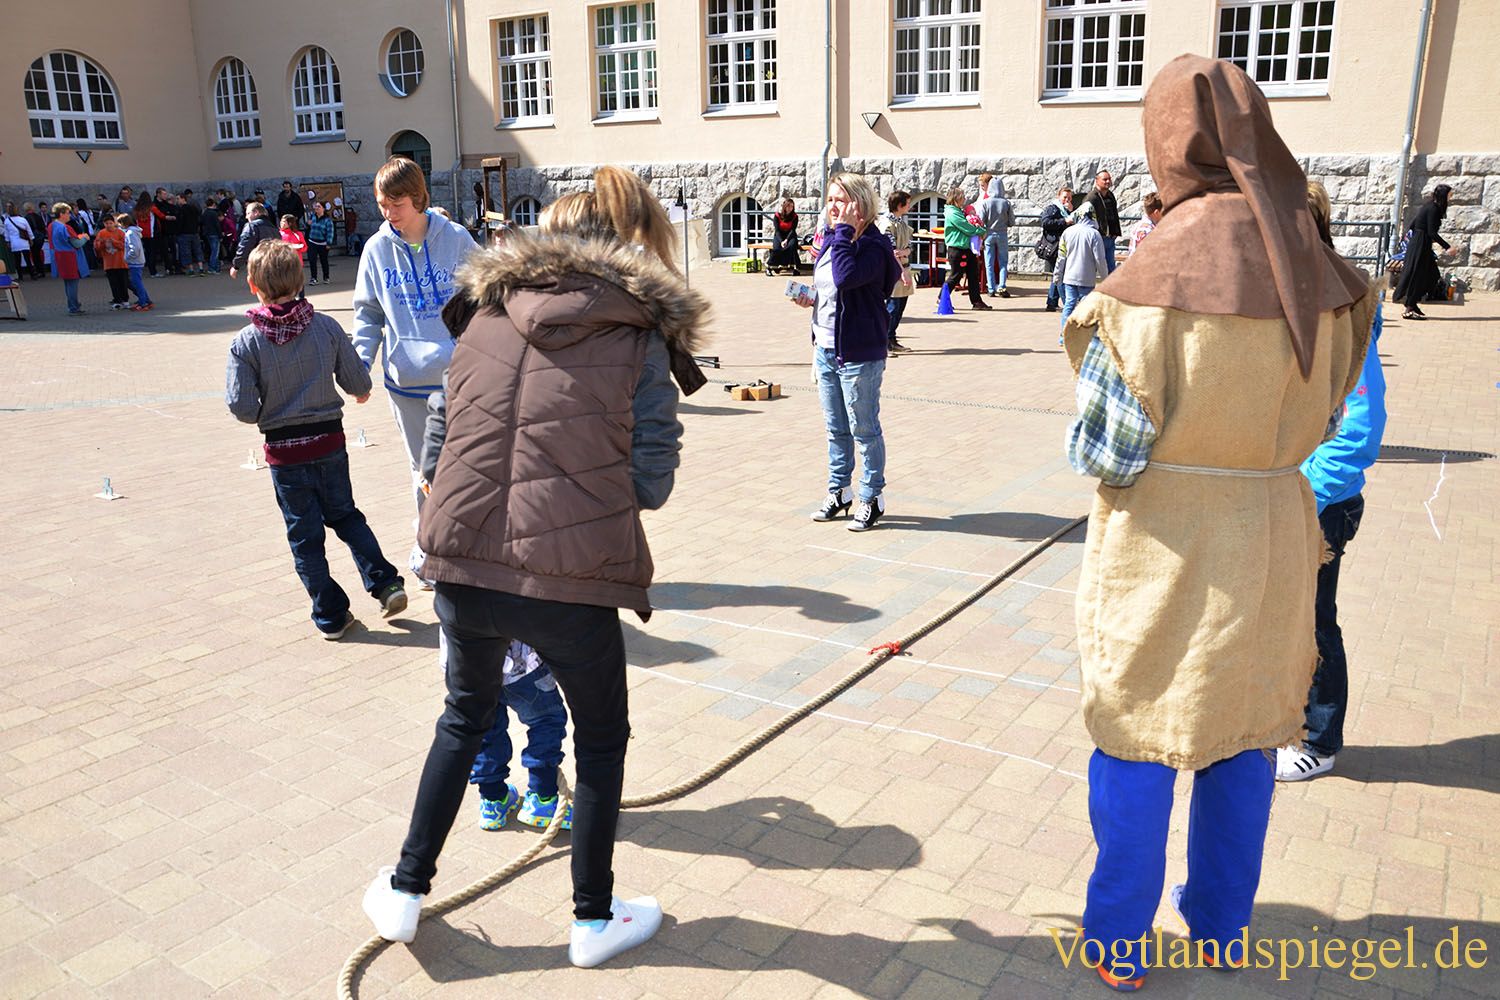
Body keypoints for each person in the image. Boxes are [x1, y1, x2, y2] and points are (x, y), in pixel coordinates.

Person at [1060, 54, 1374, 991]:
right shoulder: (1321, 271)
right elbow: (1331, 409)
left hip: (1162, 547)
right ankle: (1222, 929)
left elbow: (1104, 452)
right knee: (1243, 739)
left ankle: (1118, 944)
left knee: (1138, 741)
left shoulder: (1142, 285)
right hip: (1274, 536)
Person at [361, 165, 708, 970]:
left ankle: (406, 892)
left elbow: (440, 440)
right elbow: (651, 477)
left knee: (463, 717)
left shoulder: (481, 313)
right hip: (570, 579)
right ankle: (592, 917)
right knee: (602, 740)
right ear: (624, 250)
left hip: (461, 566)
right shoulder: (637, 333)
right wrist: (583, 500)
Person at [225, 240, 408, 640]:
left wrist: (265, 412)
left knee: (304, 536)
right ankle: (385, 582)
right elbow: (357, 380)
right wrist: (359, 390)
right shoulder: (325, 327)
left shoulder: (246, 342)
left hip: (284, 452)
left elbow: (240, 406)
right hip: (328, 442)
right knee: (345, 515)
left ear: (252, 284)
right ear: (301, 280)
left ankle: (330, 614)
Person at [1276, 182, 1389, 783]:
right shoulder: (1294, 298)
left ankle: (1320, 740)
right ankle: (1289, 722)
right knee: (1287, 620)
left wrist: (1308, 492)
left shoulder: (1342, 306)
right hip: (1287, 495)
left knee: (1316, 621)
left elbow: (1360, 427)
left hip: (1321, 502)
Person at [351, 156, 479, 584]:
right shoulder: (375, 249)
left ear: (419, 198)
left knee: (463, 466)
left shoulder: (457, 239)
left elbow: (486, 296)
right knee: (422, 471)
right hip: (406, 384)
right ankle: (430, 548)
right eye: (382, 206)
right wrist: (359, 366)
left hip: (458, 380)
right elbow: (368, 313)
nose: (389, 215)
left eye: (397, 205)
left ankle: (466, 548)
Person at [795, 172, 901, 531]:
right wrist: (810, 298)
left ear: (860, 204)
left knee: (864, 429)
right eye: (829, 200)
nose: (833, 207)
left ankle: (872, 496)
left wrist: (843, 232)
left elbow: (845, 277)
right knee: (835, 428)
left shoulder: (873, 245)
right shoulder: (832, 240)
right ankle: (839, 491)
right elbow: (830, 288)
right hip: (826, 348)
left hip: (859, 353)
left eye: (840, 200)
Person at [1394, 184, 1454, 320]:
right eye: (1450, 195)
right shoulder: (1433, 209)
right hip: (1420, 245)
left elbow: (1414, 224)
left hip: (1421, 243)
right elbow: (1432, 232)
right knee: (1418, 276)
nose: (1451, 198)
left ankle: (1412, 304)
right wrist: (1447, 247)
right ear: (1443, 196)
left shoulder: (1430, 206)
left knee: (1432, 275)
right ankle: (1409, 308)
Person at [1052, 201, 1108, 329]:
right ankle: (1082, 336)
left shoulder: (1068, 232)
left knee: (1069, 305)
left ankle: (1063, 335)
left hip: (1069, 277)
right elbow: (1100, 259)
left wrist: (1057, 275)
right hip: (1086, 278)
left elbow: (1061, 257)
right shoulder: (1094, 234)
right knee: (1085, 306)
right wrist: (1105, 278)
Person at [876, 190, 915, 354]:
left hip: (904, 267)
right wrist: (901, 271)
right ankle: (884, 340)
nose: (909, 206)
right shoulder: (887, 224)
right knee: (893, 306)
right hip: (894, 270)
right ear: (899, 205)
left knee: (900, 306)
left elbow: (908, 247)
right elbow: (891, 251)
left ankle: (891, 338)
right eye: (907, 203)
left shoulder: (901, 223)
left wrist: (905, 252)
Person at [941, 186, 989, 311]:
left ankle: (977, 301)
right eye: (962, 197)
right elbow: (966, 227)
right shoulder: (952, 212)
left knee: (973, 274)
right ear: (956, 198)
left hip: (966, 248)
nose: (964, 199)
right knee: (956, 275)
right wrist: (981, 231)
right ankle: (941, 298)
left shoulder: (958, 211)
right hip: (957, 248)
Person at [976, 176, 1015, 297]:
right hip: (1002, 233)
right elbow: (1011, 222)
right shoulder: (1006, 203)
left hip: (988, 234)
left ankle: (991, 288)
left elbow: (981, 221)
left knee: (989, 262)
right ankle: (1002, 286)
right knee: (1003, 262)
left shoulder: (985, 203)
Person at [1037, 186, 1074, 312]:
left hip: (1062, 246)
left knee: (1056, 274)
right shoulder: (1053, 208)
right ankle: (1067, 302)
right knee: (1061, 275)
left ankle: (1052, 302)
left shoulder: (1067, 210)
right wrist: (1065, 221)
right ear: (1059, 197)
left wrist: (1070, 213)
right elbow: (1046, 222)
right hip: (1053, 247)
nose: (1067, 200)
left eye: (1069, 198)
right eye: (1064, 197)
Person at [49, 202, 90, 314]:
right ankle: (74, 307)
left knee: (68, 283)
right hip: (70, 257)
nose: (69, 216)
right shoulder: (65, 227)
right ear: (61, 214)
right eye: (67, 213)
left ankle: (72, 305)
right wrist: (85, 238)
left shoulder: (51, 226)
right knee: (72, 283)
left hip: (59, 256)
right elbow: (76, 244)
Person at [1085, 169, 1123, 272]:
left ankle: (1110, 288)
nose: (1108, 181)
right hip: (1098, 238)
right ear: (1097, 181)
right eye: (1105, 179)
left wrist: (1115, 232)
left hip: (1110, 237)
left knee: (1110, 267)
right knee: (1092, 267)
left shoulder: (1110, 195)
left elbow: (1114, 215)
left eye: (1109, 179)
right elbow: (1084, 217)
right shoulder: (1092, 197)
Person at [230, 203, 280, 277]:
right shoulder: (275, 229)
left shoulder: (251, 226)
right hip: (274, 266)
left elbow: (244, 246)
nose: (246, 217)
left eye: (248, 213)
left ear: (256, 212)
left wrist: (236, 266)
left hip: (258, 265)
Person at [94, 213, 130, 309]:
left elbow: (124, 245)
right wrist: (102, 243)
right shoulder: (101, 233)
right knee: (113, 283)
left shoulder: (120, 233)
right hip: (109, 263)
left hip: (121, 263)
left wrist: (113, 241)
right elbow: (97, 247)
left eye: (110, 223)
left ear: (114, 223)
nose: (109, 225)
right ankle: (117, 300)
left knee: (123, 283)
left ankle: (125, 300)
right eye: (106, 223)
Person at [119, 213, 153, 310]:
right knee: (137, 282)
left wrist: (127, 257)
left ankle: (143, 303)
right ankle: (146, 300)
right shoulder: (133, 231)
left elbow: (135, 248)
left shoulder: (130, 233)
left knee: (137, 283)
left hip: (135, 261)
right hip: (137, 260)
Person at [767, 197, 801, 274]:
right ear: (784, 207)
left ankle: (796, 267)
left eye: (792, 206)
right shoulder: (777, 215)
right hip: (779, 235)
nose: (790, 208)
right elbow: (777, 230)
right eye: (788, 206)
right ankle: (772, 266)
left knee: (792, 246)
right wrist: (781, 241)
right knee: (777, 247)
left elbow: (793, 230)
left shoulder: (795, 216)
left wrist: (786, 240)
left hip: (790, 235)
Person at [4, 204, 37, 280]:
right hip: (24, 242)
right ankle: (32, 274)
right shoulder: (23, 219)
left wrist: (7, 241)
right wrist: (31, 239)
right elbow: (29, 230)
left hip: (14, 243)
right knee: (28, 259)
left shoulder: (7, 221)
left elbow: (7, 233)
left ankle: (20, 276)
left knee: (17, 261)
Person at [306, 201, 333, 285]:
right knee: (312, 260)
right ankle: (313, 278)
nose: (316, 208)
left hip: (322, 243)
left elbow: (330, 232)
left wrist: (329, 243)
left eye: (319, 206)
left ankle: (326, 277)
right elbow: (307, 227)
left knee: (323, 260)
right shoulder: (312, 217)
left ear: (323, 209)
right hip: (312, 242)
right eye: (316, 206)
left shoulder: (327, 220)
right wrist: (308, 224)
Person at [176, 193, 204, 275]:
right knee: (197, 250)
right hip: (194, 232)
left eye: (178, 199)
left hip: (184, 233)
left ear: (183, 199)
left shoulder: (181, 210)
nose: (177, 201)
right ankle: (201, 268)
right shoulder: (193, 208)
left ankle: (191, 269)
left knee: (186, 252)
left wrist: (178, 231)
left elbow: (180, 222)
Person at [200, 197, 223, 274]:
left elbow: (201, 222)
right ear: (213, 204)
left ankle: (214, 267)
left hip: (207, 233)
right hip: (214, 233)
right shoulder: (214, 213)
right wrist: (220, 235)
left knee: (212, 251)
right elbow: (217, 225)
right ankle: (212, 267)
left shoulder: (205, 213)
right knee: (215, 252)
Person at [25, 203, 49, 279]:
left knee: (35, 255)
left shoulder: (26, 218)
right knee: (38, 254)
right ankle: (42, 270)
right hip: (40, 238)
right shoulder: (38, 216)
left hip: (33, 238)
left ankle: (39, 271)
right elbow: (43, 227)